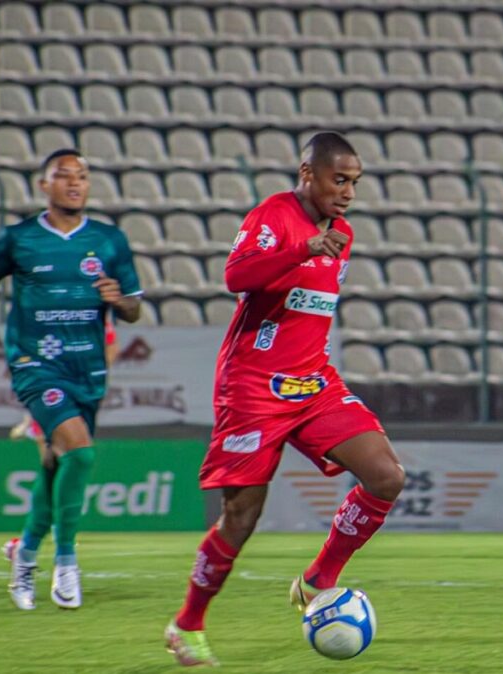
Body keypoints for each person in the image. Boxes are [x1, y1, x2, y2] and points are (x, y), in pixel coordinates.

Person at [164, 132, 405, 667]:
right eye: (338, 180)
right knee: (241, 517)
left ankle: (319, 578)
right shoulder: (273, 215)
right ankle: (188, 625)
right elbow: (236, 276)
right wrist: (301, 249)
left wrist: (318, 248)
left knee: (386, 476)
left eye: (354, 183)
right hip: (252, 386)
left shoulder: (344, 232)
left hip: (313, 382)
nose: (347, 193)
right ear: (307, 174)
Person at [0, 149, 142, 611]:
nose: (75, 183)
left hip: (89, 369)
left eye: (83, 176)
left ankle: (24, 552)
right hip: (35, 364)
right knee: (80, 451)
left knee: (56, 465)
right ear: (44, 185)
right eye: (65, 176)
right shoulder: (18, 239)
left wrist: (119, 300)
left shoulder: (110, 241)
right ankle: (68, 561)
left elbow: (134, 309)